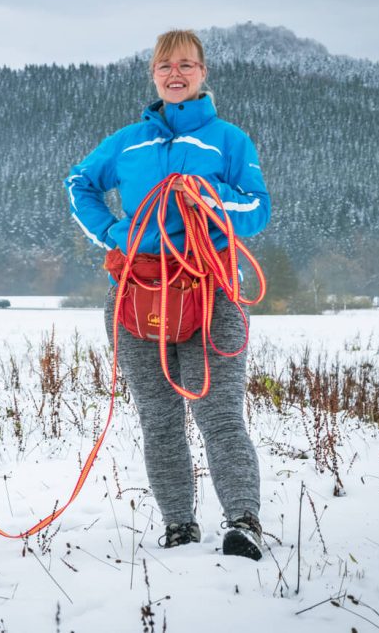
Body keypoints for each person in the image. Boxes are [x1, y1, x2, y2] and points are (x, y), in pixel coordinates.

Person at [64, 29, 270, 560]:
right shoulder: (127, 142)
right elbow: (78, 183)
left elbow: (258, 210)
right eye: (164, 66)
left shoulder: (229, 140)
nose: (175, 74)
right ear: (153, 75)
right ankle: (179, 525)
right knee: (158, 421)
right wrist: (113, 233)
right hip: (137, 296)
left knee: (219, 415)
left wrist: (208, 194)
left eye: (186, 65)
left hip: (213, 294)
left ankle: (243, 521)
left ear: (203, 73)